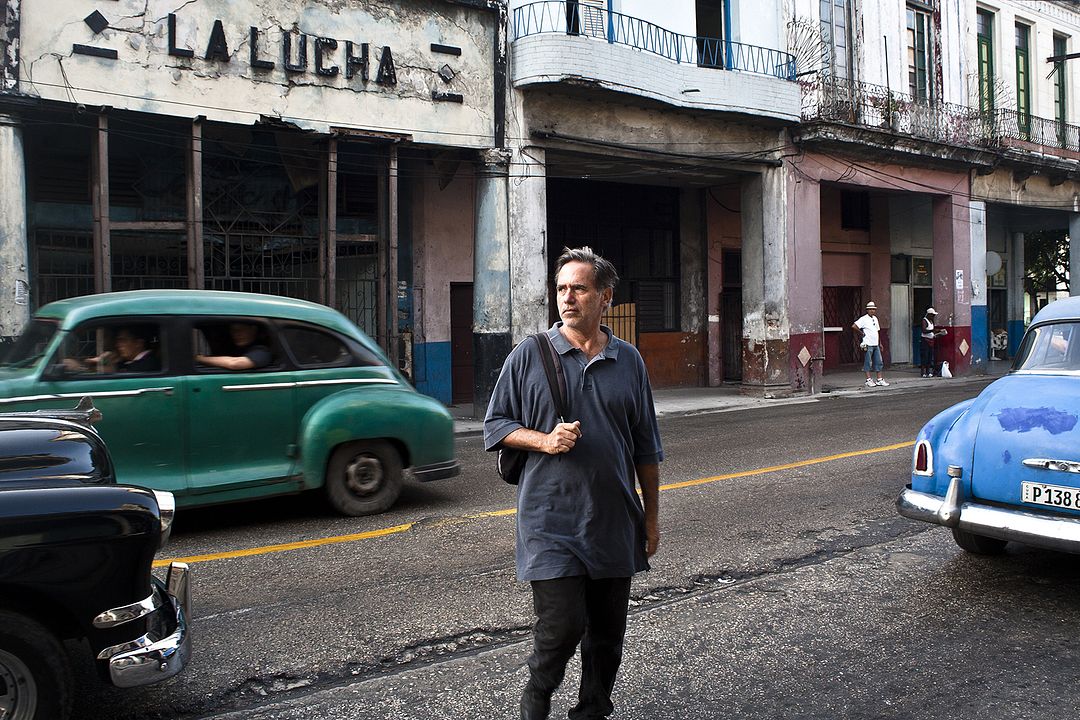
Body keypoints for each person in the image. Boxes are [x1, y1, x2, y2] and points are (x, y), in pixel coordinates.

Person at [484, 246, 662, 720]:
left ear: (605, 297)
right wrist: (544, 441)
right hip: (549, 521)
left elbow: (646, 447)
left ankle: (592, 712)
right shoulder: (530, 354)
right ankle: (537, 698)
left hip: (614, 520)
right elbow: (495, 425)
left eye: (579, 288)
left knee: (606, 637)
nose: (567, 297)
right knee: (561, 627)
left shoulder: (629, 361)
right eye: (562, 288)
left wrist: (651, 520)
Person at [64, 325, 159, 374]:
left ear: (138, 343)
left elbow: (119, 375)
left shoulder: (148, 363)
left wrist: (81, 369)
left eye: (123, 341)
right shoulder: (127, 362)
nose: (118, 345)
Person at [194, 322, 272, 371]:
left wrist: (199, 358)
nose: (236, 334)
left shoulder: (262, 351)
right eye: (233, 330)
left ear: (253, 329)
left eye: (240, 330)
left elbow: (235, 363)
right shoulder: (233, 348)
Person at [852, 301, 887, 387]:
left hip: (875, 343)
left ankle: (879, 379)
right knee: (868, 362)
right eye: (870, 309)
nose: (872, 311)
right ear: (867, 310)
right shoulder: (863, 319)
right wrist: (861, 333)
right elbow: (854, 326)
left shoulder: (875, 318)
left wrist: (880, 343)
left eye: (873, 309)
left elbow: (877, 332)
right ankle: (868, 379)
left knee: (879, 361)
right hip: (868, 343)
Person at [919, 307, 944, 378]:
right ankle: (923, 372)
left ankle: (928, 371)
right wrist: (932, 331)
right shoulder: (924, 320)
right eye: (932, 315)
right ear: (929, 314)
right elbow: (924, 330)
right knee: (924, 357)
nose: (933, 316)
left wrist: (939, 331)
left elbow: (932, 330)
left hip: (931, 340)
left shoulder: (931, 321)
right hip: (925, 341)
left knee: (930, 357)